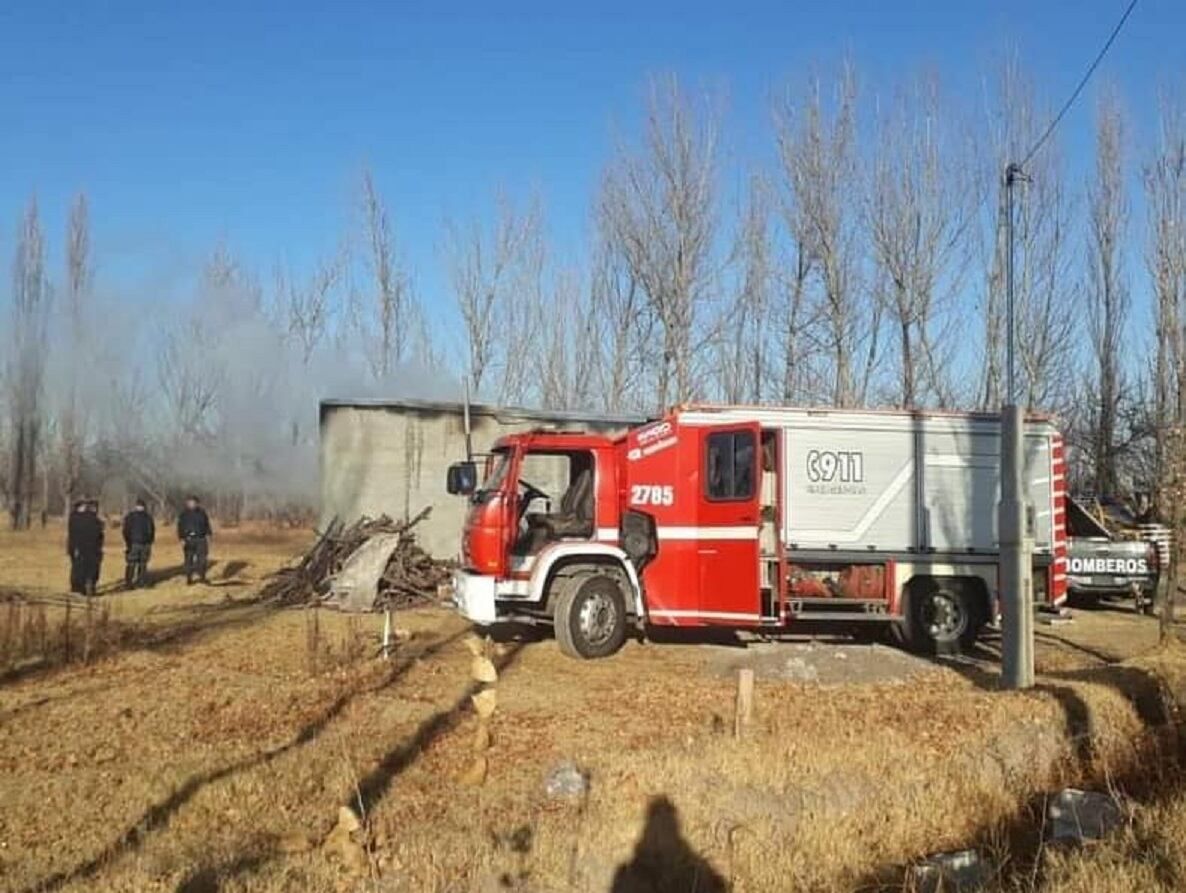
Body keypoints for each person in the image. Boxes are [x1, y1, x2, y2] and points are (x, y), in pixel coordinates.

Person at [67, 498, 104, 596]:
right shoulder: (96, 521)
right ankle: (89, 587)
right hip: (93, 549)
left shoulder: (76, 519)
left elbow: (73, 534)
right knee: (91, 570)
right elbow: (100, 537)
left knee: (79, 568)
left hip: (79, 548)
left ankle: (78, 588)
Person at [177, 495, 212, 584]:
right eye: (190, 502)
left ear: (197, 503)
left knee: (202, 560)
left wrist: (209, 535)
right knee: (188, 559)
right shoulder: (183, 514)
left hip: (201, 539)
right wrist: (181, 538)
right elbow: (180, 527)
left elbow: (207, 525)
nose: (192, 504)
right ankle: (189, 578)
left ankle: (202, 577)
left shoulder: (202, 513)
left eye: (194, 502)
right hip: (188, 539)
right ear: (187, 503)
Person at [122, 498, 156, 589]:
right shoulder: (144, 517)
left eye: (141, 506)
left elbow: (126, 531)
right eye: (140, 506)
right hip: (137, 543)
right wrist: (128, 542)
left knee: (138, 564)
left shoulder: (132, 517)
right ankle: (135, 582)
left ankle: (136, 582)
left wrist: (128, 542)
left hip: (139, 543)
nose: (140, 507)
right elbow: (126, 531)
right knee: (137, 564)